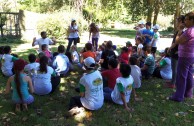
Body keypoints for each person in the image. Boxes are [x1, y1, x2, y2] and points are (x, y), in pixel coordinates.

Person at [169, 12, 194, 102]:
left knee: (181, 76)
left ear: (192, 20)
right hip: (191, 56)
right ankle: (188, 93)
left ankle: (178, 96)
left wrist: (179, 31)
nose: (185, 21)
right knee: (189, 75)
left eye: (186, 19)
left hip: (184, 57)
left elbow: (178, 41)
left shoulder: (189, 31)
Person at [166, 15, 185, 88]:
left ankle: (173, 84)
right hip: (174, 51)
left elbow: (177, 42)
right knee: (174, 68)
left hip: (176, 52)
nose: (176, 22)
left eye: (178, 20)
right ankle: (173, 81)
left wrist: (170, 48)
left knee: (174, 69)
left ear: (181, 21)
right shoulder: (178, 30)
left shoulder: (181, 31)